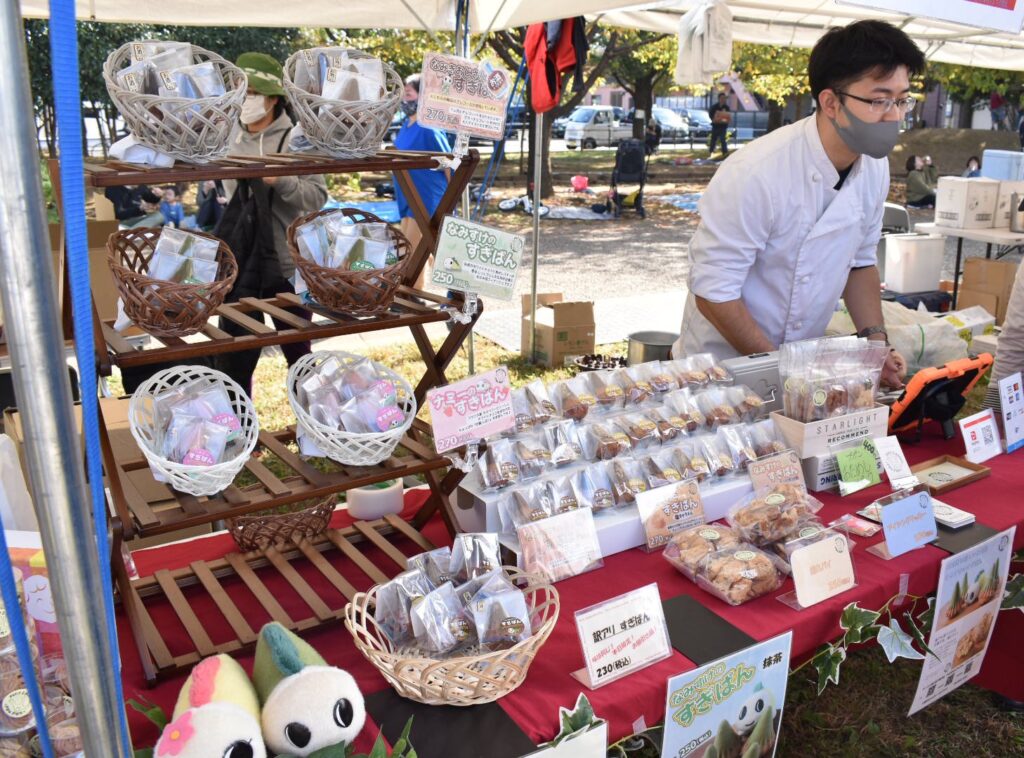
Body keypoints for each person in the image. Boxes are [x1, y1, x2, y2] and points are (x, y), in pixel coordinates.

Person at [673, 20, 923, 390]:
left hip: (798, 364)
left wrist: (875, 346)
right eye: (879, 100)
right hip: (719, 369)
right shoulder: (756, 172)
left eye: (902, 100)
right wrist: (781, 372)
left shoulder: (874, 167)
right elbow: (714, 292)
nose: (894, 116)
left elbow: (861, 263)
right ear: (831, 102)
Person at [212, 52, 328, 397]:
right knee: (236, 355)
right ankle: (240, 433)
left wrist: (282, 181)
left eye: (253, 94)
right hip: (242, 264)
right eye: (242, 94)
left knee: (298, 351)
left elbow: (317, 197)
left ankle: (314, 426)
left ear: (273, 99)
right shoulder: (228, 139)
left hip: (287, 265)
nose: (246, 102)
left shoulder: (296, 140)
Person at [392, 73, 451, 289]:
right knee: (416, 249)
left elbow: (448, 165)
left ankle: (413, 297)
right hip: (406, 200)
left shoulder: (429, 127)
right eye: (404, 94)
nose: (406, 99)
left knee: (412, 251)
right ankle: (419, 295)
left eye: (410, 93)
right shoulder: (406, 127)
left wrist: (450, 201)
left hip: (426, 201)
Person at [708, 92, 731, 157]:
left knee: (723, 139)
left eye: (724, 98)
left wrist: (724, 119)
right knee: (713, 139)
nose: (723, 99)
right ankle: (711, 152)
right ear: (719, 99)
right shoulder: (714, 107)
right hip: (715, 126)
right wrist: (714, 119)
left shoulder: (726, 107)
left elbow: (728, 116)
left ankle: (725, 153)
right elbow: (710, 114)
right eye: (722, 98)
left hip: (723, 126)